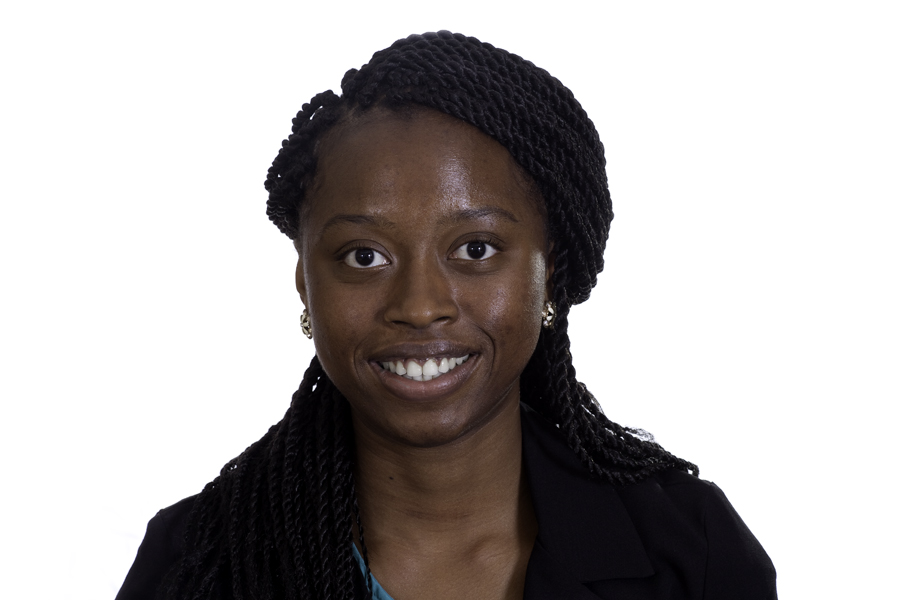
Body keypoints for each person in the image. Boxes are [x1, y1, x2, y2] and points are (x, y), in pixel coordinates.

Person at [117, 31, 777, 600]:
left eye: (475, 249)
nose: (419, 305)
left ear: (552, 273)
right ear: (305, 285)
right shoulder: (198, 564)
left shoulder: (689, 553)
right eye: (364, 255)